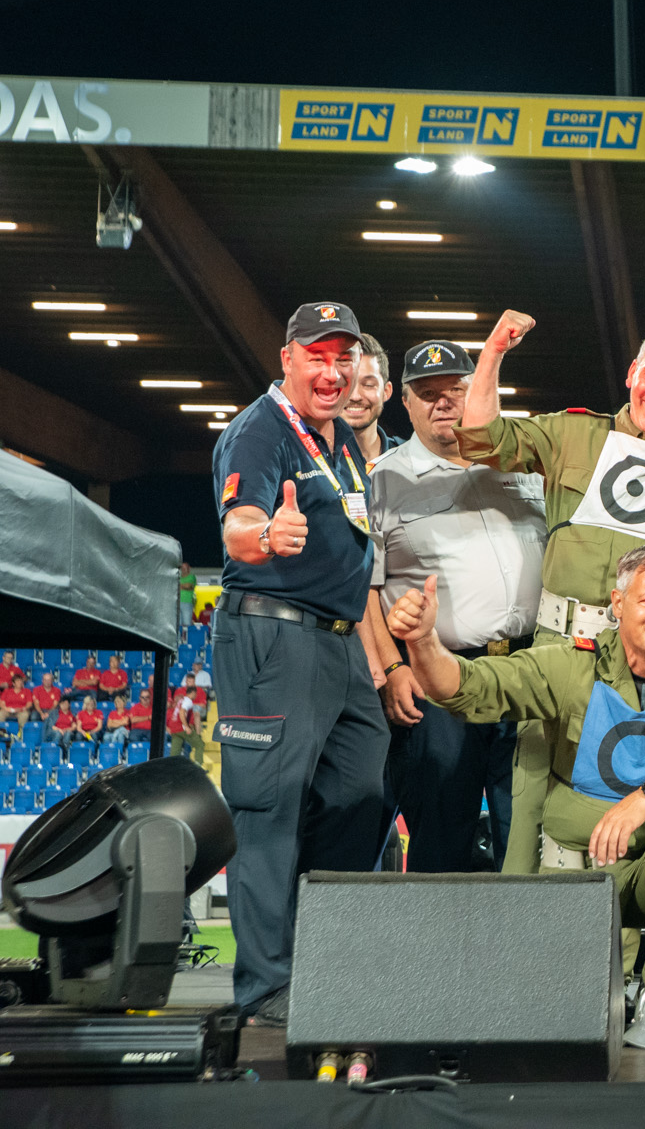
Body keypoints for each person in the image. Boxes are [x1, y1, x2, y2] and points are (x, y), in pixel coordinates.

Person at [386, 543, 645, 984]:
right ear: (618, 604)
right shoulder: (572, 664)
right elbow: (469, 687)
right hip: (578, 872)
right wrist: (424, 641)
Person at [455, 310, 645, 875]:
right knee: (530, 786)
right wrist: (492, 354)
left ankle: (632, 932)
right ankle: (523, 924)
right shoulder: (573, 432)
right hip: (560, 645)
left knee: (638, 783)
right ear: (632, 374)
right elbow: (481, 437)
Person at [210, 301, 388, 1025]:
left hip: (340, 643)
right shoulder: (260, 432)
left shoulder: (339, 440)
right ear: (287, 358)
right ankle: (264, 986)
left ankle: (324, 963)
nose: (333, 369)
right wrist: (265, 532)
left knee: (362, 791)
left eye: (344, 357)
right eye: (318, 355)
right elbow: (237, 524)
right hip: (274, 637)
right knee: (271, 810)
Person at [365, 339, 547, 873]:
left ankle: (528, 959)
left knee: (528, 840)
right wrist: (393, 667)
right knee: (442, 839)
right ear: (406, 401)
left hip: (526, 673)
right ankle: (433, 957)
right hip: (436, 679)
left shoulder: (525, 461)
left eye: (456, 390)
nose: (444, 403)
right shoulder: (382, 478)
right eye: (429, 394)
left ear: (478, 392)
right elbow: (364, 590)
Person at [342, 331, 403, 466]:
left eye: (368, 385)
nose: (355, 396)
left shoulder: (410, 460)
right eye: (346, 384)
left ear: (386, 391)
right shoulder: (307, 460)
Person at [178, 562, 198, 636]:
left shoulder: (191, 577)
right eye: (182, 568)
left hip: (187, 602)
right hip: (177, 603)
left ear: (188, 569)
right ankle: (179, 640)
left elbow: (188, 586)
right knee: (178, 624)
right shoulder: (178, 577)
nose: (183, 569)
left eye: (185, 568)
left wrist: (179, 586)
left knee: (186, 623)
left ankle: (187, 640)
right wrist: (183, 586)